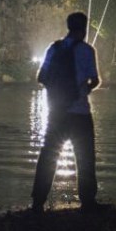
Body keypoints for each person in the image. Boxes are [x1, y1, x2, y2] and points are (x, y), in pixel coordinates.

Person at [31, 12, 101, 212]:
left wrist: (56, 92)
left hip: (57, 112)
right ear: (84, 28)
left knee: (48, 156)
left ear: (68, 26)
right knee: (85, 157)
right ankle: (88, 202)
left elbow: (41, 77)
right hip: (79, 113)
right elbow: (94, 80)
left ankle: (38, 202)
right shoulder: (87, 51)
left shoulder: (53, 49)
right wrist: (85, 88)